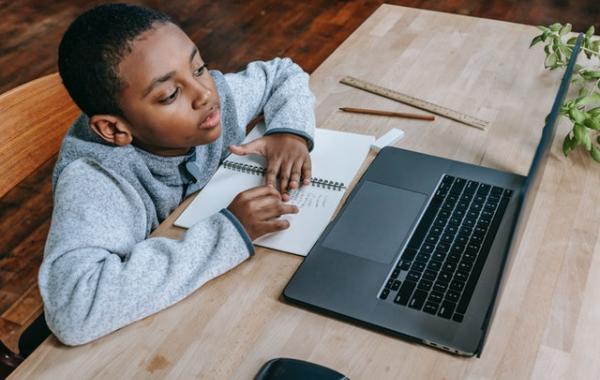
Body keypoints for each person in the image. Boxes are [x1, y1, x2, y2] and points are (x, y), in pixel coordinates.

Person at [38, 3, 315, 345]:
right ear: (114, 129)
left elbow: (282, 74)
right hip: (129, 334)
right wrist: (230, 231)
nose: (205, 94)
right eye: (170, 95)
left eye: (199, 67)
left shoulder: (212, 102)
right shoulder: (96, 179)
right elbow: (73, 311)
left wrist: (290, 133)